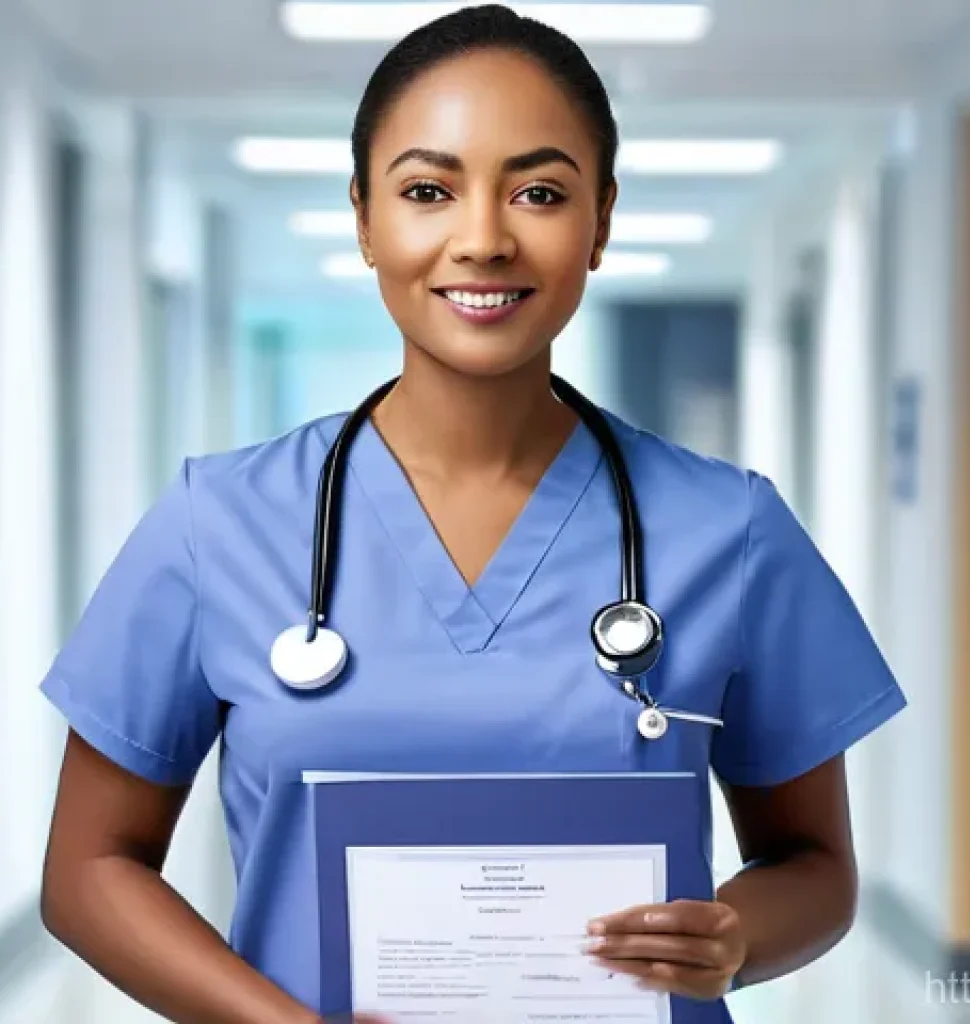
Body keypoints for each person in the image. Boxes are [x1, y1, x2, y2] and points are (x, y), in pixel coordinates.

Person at [38, 5, 907, 1023]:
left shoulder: (730, 530)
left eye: (539, 191)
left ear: (602, 221)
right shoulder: (216, 523)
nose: (484, 238)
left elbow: (814, 866)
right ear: (364, 217)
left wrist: (737, 935)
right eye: (427, 190)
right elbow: (89, 867)